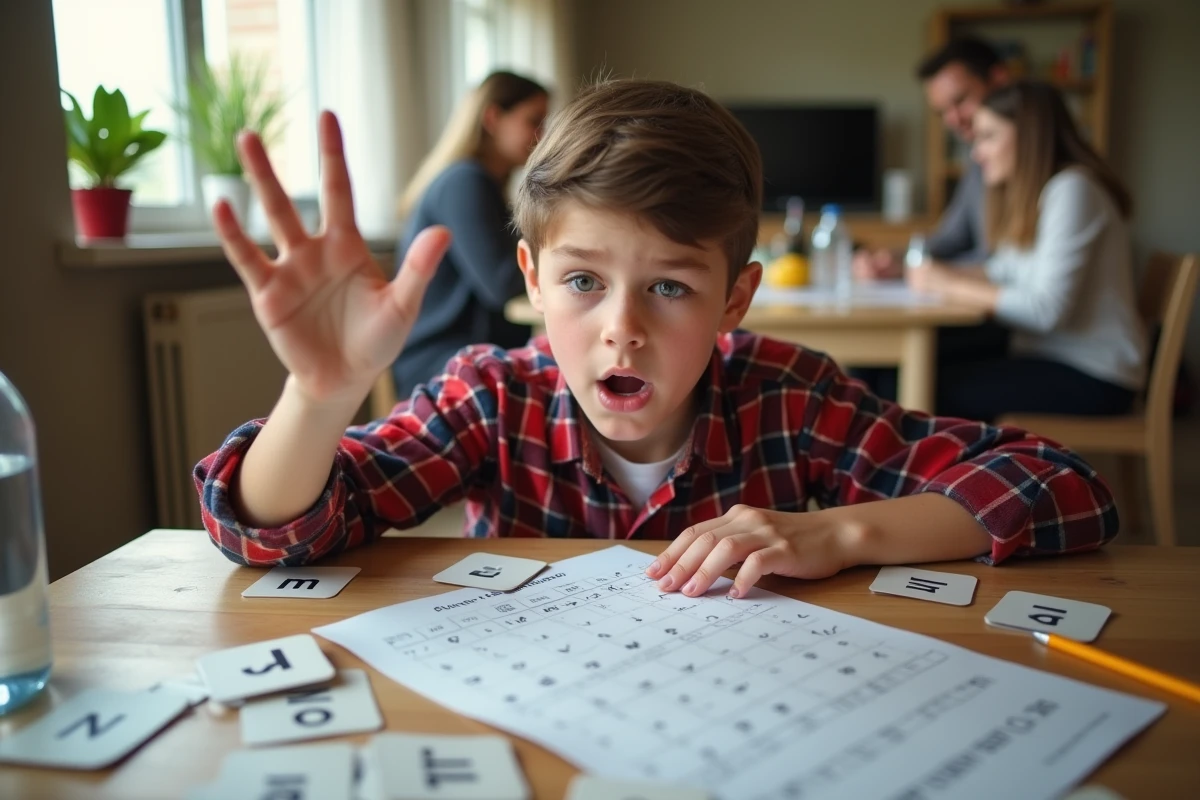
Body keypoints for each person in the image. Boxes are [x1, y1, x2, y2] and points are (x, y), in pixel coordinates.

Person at [196, 79, 1118, 601]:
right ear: (531, 281)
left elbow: (1057, 486)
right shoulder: (490, 397)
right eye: (584, 283)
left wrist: (837, 532)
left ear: (735, 298)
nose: (622, 331)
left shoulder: (792, 397)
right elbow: (276, 534)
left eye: (670, 286)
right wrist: (318, 395)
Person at [906, 81, 1147, 423]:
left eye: (988, 136)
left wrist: (945, 285)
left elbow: (1047, 310)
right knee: (910, 366)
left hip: (1095, 373)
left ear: (1030, 136)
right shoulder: (1037, 195)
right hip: (1049, 354)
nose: (977, 153)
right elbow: (1001, 270)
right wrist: (940, 273)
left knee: (920, 383)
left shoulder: (1073, 190)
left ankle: (950, 475)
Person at [391, 71, 549, 399]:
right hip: (438, 359)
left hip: (464, 351)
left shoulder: (484, 185)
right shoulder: (464, 182)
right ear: (493, 117)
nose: (542, 135)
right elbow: (501, 283)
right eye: (533, 121)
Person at [855, 37, 1010, 280]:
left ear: (999, 80)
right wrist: (897, 259)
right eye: (942, 112)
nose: (952, 120)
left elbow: (1008, 266)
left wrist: (930, 272)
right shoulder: (980, 164)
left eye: (960, 100)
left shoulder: (1050, 172)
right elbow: (950, 240)